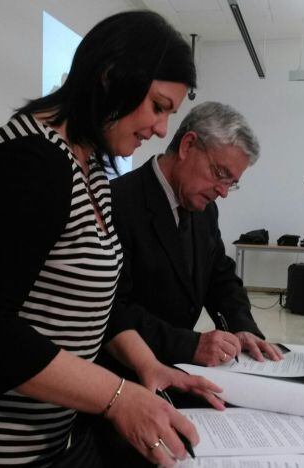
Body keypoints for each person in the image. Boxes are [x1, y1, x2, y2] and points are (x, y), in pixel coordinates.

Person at [0, 11, 223, 468]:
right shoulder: (31, 163)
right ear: (110, 77)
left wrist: (147, 366)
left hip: (34, 443)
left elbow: (86, 303)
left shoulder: (89, 166)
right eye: (157, 106)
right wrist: (117, 397)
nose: (159, 130)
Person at [106, 101, 284, 369]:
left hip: (178, 371)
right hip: (125, 375)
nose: (223, 192)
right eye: (220, 174)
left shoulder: (204, 208)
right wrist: (190, 345)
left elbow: (219, 276)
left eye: (231, 183)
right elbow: (113, 309)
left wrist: (242, 327)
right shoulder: (118, 202)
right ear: (187, 145)